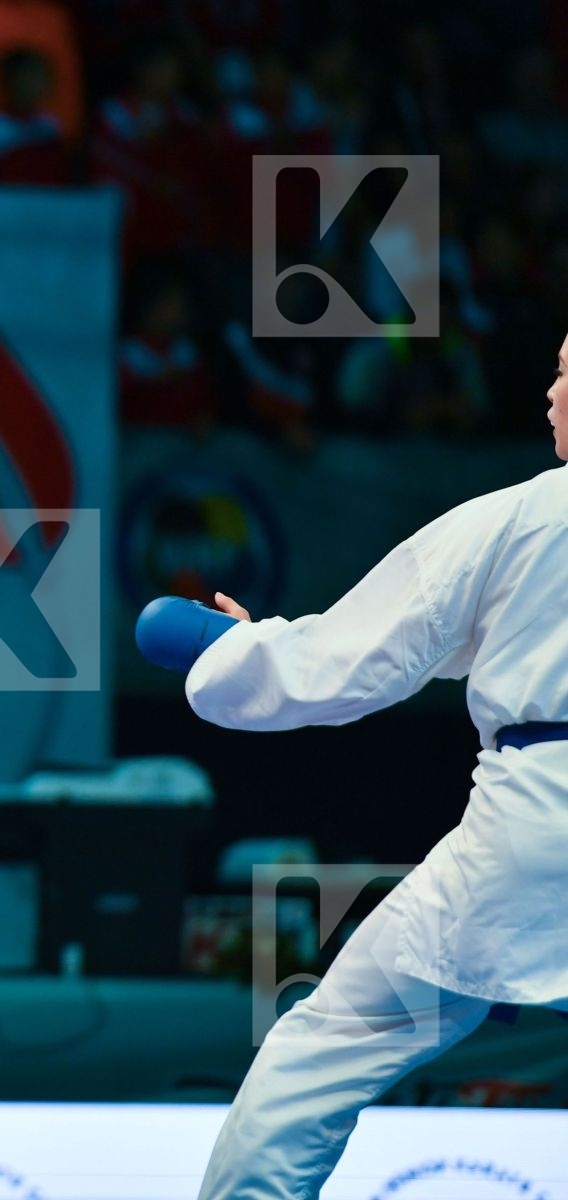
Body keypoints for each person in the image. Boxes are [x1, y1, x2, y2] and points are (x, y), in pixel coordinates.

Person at [179, 334, 568, 1197]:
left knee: (325, 1047)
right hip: (529, 821)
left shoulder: (523, 519)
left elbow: (351, 663)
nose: (549, 393)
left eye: (566, 373)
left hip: (531, 839)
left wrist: (238, 656)